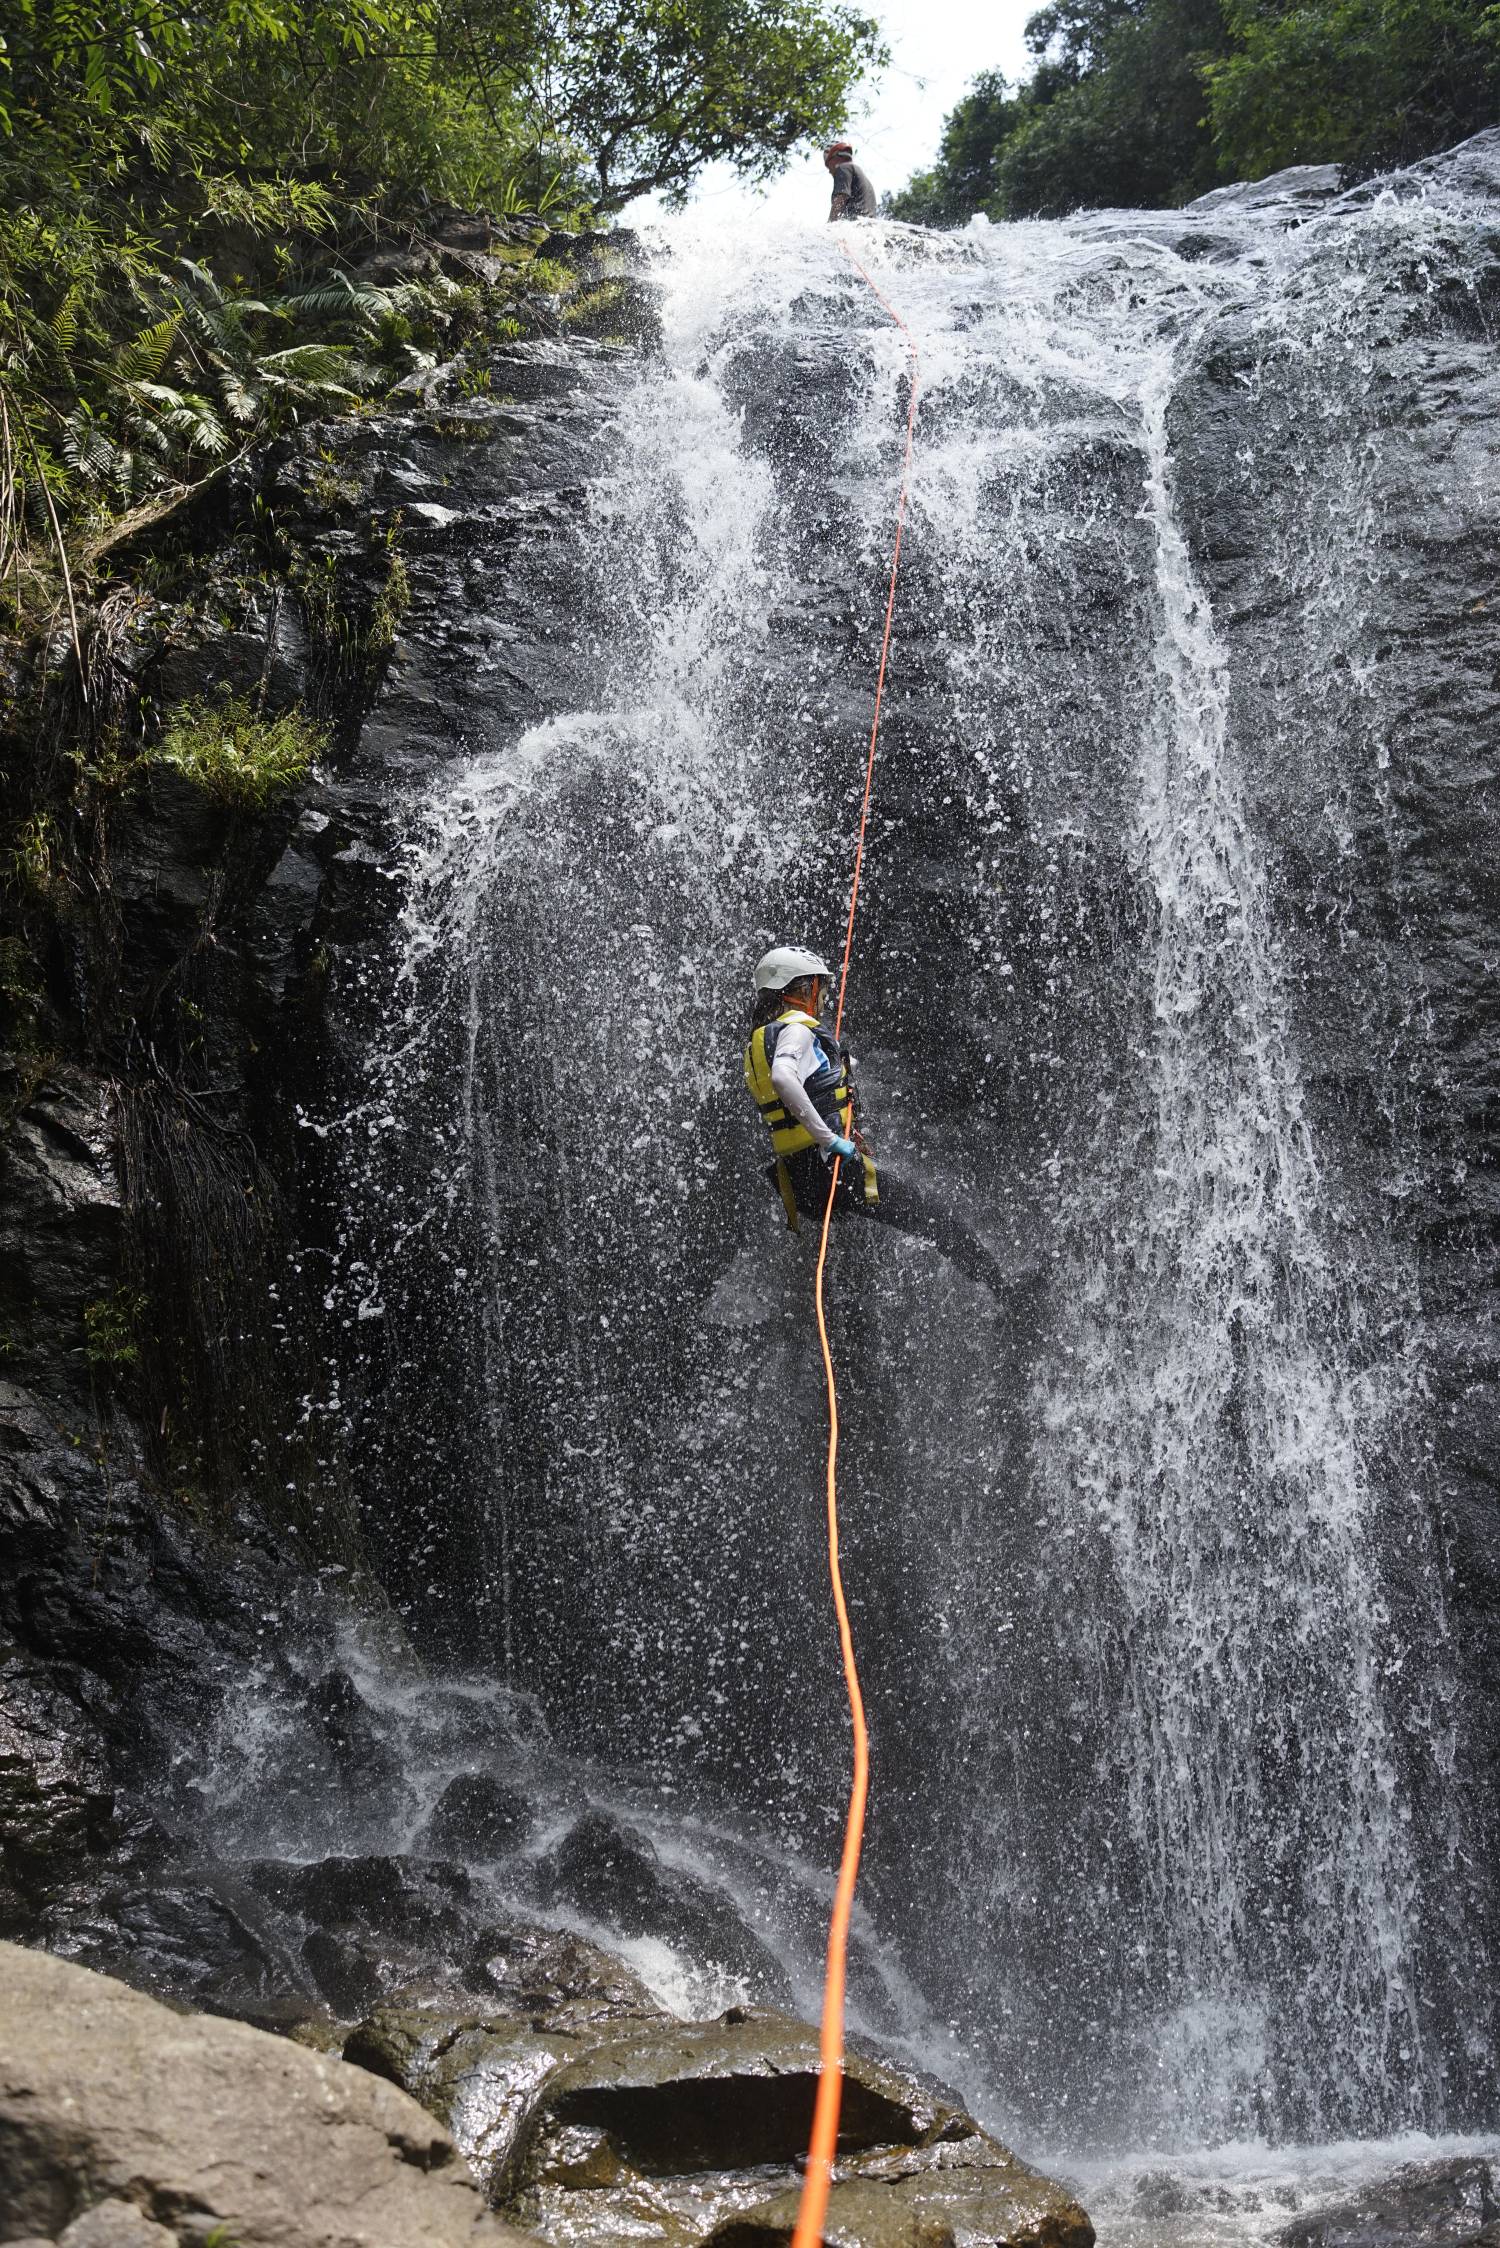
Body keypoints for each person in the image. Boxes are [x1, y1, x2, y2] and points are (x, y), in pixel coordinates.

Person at [742, 945, 1009, 1291]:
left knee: (867, 1244)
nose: (823, 998)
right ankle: (1005, 1290)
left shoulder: (760, 1041)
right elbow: (783, 1077)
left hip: (798, 1180)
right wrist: (830, 1139)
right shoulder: (796, 1031)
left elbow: (804, 1087)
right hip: (830, 1170)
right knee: (933, 1217)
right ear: (803, 988)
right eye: (820, 988)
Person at [824, 140, 877, 223]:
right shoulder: (859, 172)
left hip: (856, 224)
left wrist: (829, 224)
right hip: (868, 224)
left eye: (828, 165)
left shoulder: (843, 168)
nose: (829, 171)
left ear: (833, 158)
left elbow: (841, 197)